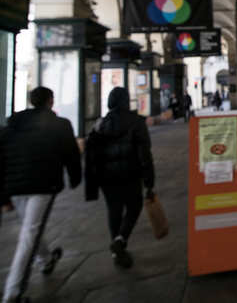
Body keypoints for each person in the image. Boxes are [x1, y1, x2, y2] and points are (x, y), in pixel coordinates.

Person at [0, 87, 81, 303]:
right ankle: (13, 292)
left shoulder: (11, 127)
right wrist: (75, 178)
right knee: (29, 234)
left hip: (14, 187)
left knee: (31, 228)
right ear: (50, 101)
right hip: (42, 185)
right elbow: (71, 154)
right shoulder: (60, 125)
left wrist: (3, 196)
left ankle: (45, 260)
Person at [84, 87, 155, 269]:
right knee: (134, 206)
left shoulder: (101, 124)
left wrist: (92, 180)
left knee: (113, 209)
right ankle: (121, 239)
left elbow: (92, 155)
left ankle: (117, 247)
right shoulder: (136, 122)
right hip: (131, 174)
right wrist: (149, 182)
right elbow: (145, 155)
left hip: (107, 177)